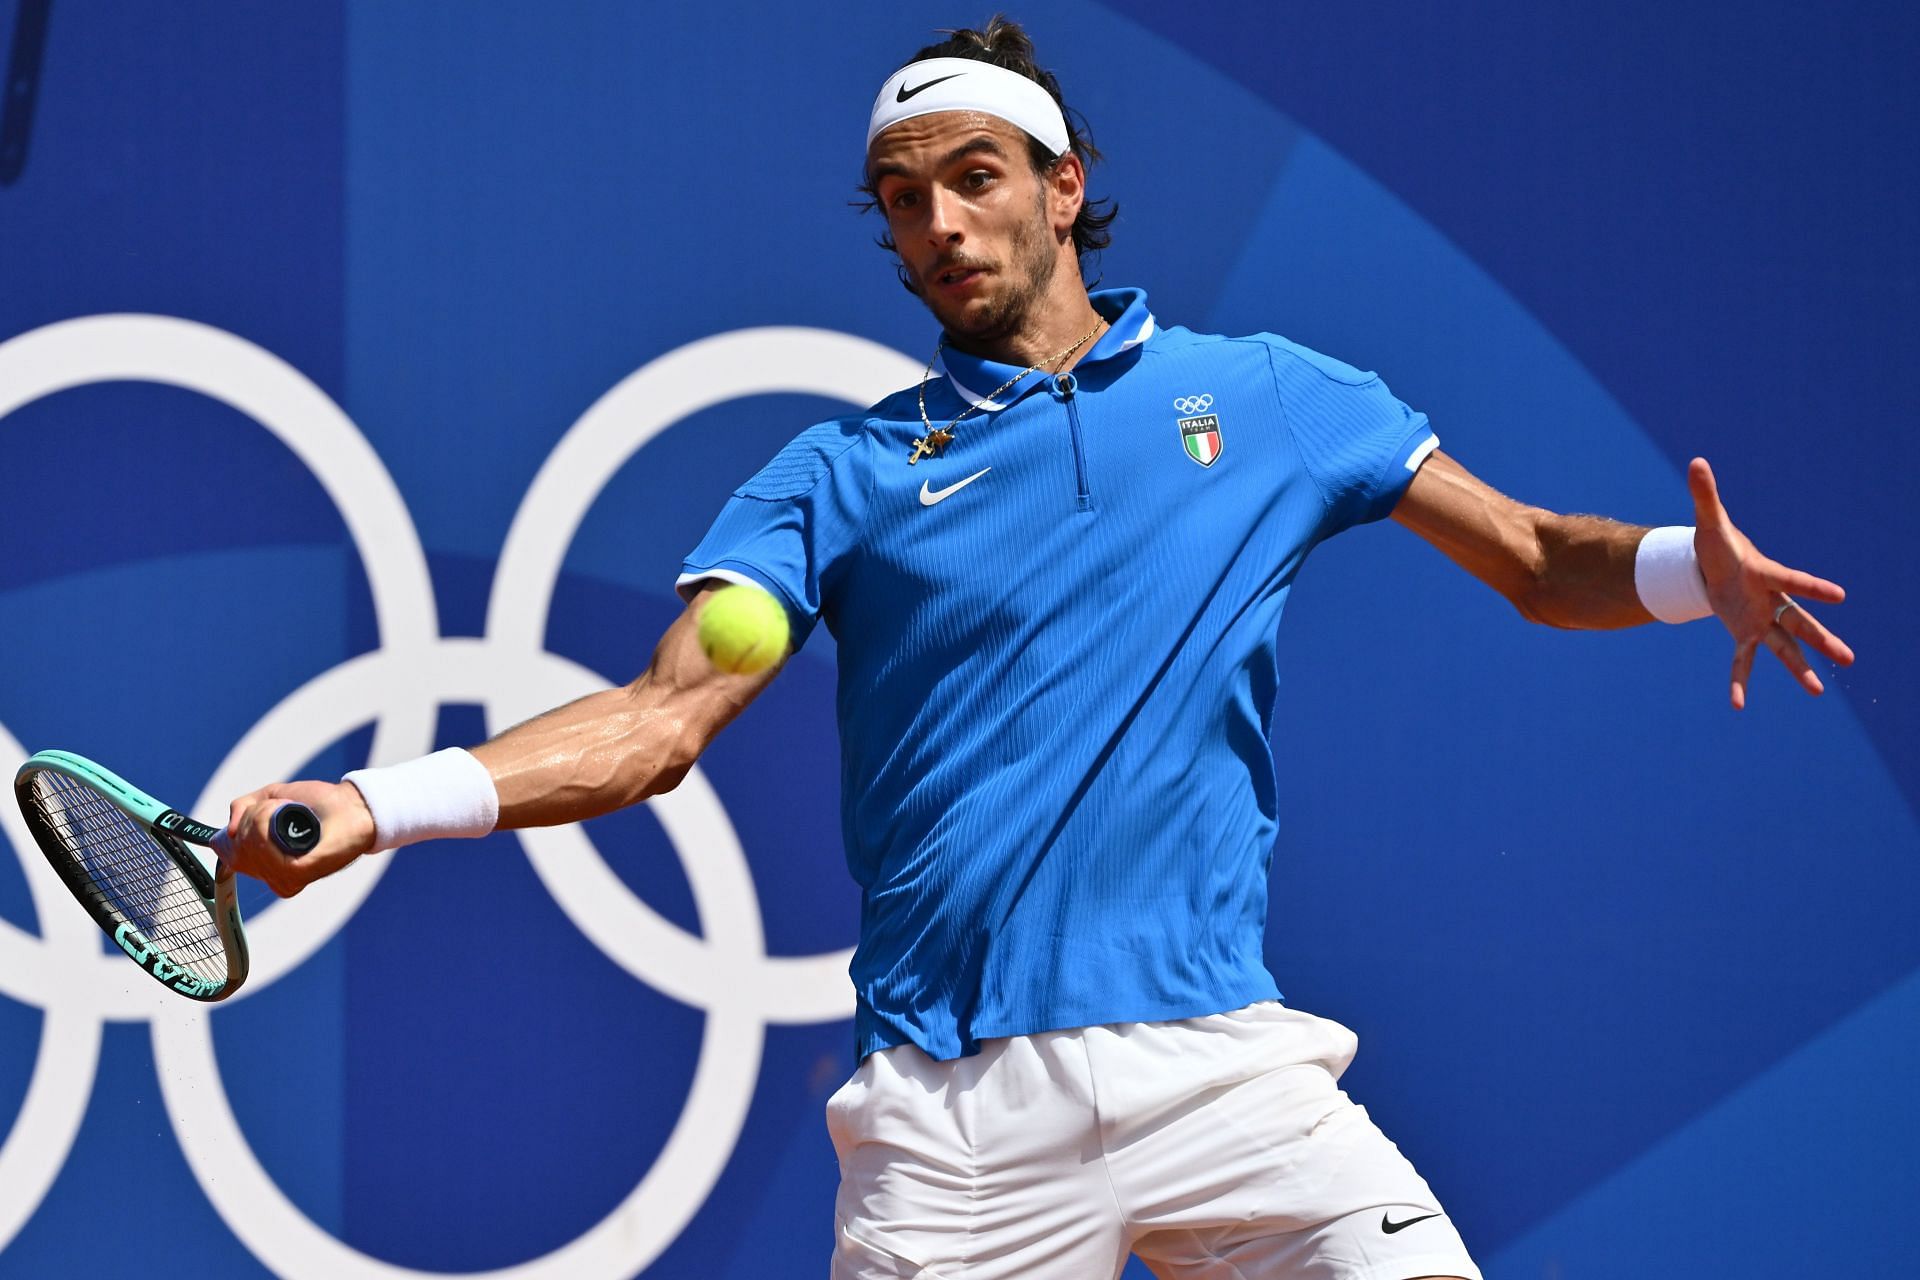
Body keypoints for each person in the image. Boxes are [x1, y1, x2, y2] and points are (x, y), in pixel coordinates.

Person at [221, 17, 1853, 1280]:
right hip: (954, 1122)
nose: (938, 224)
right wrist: (384, 803)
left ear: (1064, 186)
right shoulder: (843, 475)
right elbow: (659, 720)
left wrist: (1682, 572)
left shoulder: (1271, 399)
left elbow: (1531, 559)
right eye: (901, 200)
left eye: (974, 178)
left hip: (1224, 1071)